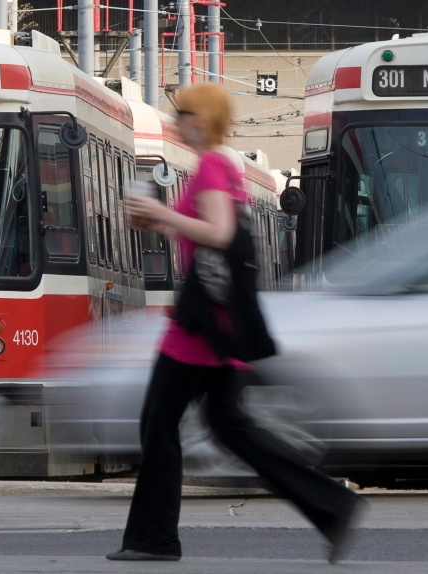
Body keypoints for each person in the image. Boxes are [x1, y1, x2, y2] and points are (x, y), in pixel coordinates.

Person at [106, 83, 365, 564]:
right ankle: (333, 506)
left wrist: (161, 212)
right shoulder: (224, 164)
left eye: (182, 113)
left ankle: (153, 538)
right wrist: (162, 223)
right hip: (219, 324)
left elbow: (219, 234)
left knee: (159, 422)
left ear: (200, 119)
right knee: (232, 429)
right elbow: (210, 233)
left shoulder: (210, 163)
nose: (176, 121)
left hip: (198, 330)